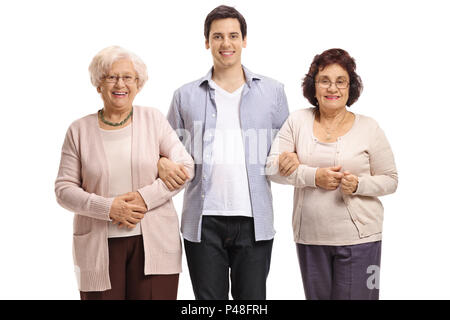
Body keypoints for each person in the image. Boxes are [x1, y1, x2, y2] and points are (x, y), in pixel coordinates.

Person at [158, 5, 289, 300]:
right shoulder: (185, 95)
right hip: (202, 222)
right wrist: (162, 163)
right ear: (207, 42)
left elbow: (287, 149)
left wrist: (291, 159)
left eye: (233, 35)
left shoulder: (273, 92)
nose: (226, 44)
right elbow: (164, 148)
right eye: (217, 36)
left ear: (244, 40)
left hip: (254, 220)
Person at [54, 46, 194, 300]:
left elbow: (186, 167)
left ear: (138, 84)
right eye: (111, 77)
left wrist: (144, 197)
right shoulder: (78, 130)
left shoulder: (153, 120)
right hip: (99, 247)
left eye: (128, 77)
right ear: (99, 84)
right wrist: (107, 207)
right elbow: (64, 190)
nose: (121, 84)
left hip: (155, 245)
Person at [266, 48, 398, 300]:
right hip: (310, 238)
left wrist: (358, 185)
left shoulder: (369, 127)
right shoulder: (297, 122)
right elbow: (271, 168)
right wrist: (313, 177)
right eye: (324, 81)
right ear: (313, 87)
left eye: (340, 82)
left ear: (351, 88)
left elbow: (391, 179)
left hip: (361, 240)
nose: (332, 88)